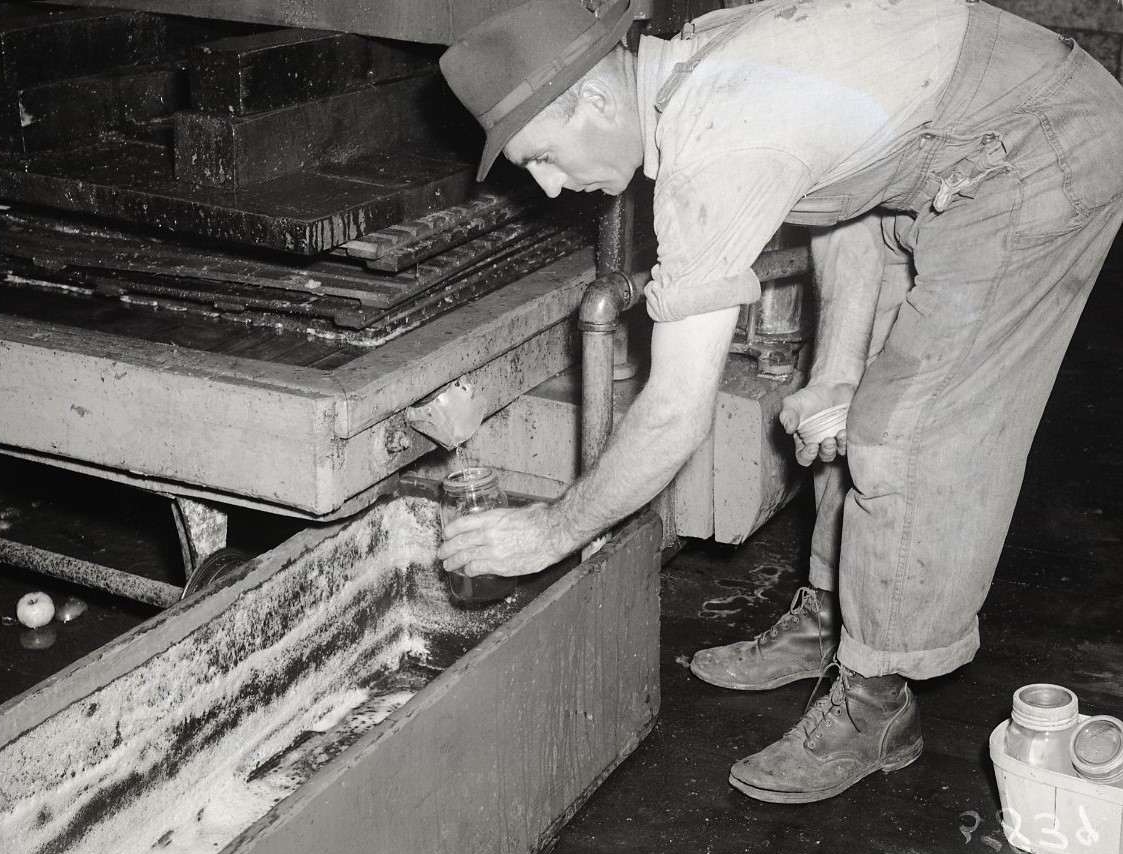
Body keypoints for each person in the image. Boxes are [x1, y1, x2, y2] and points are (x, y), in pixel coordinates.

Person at [435, 0, 1123, 803]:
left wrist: (549, 530)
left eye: (542, 156)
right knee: (842, 409)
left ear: (589, 98)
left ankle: (877, 701)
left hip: (1039, 150)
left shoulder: (718, 138)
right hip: (941, 157)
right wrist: (833, 371)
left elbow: (673, 412)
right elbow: (840, 198)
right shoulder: (692, 63)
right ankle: (836, 620)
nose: (551, 185)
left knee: (903, 434)